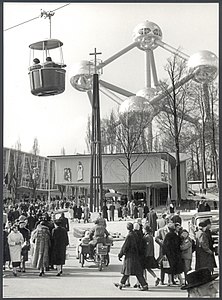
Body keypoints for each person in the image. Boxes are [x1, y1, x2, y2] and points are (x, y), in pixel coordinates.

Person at [114, 222, 148, 291]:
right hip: (136, 255)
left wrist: (120, 254)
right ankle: (144, 285)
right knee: (137, 272)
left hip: (130, 255)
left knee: (127, 271)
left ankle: (122, 283)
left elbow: (125, 246)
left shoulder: (129, 236)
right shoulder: (136, 235)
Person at [155, 216, 170, 285]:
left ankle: (171, 280)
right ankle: (162, 280)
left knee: (171, 265)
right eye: (167, 220)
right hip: (163, 250)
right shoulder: (161, 230)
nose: (168, 222)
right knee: (163, 266)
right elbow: (156, 239)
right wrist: (162, 242)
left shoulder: (172, 229)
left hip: (170, 251)